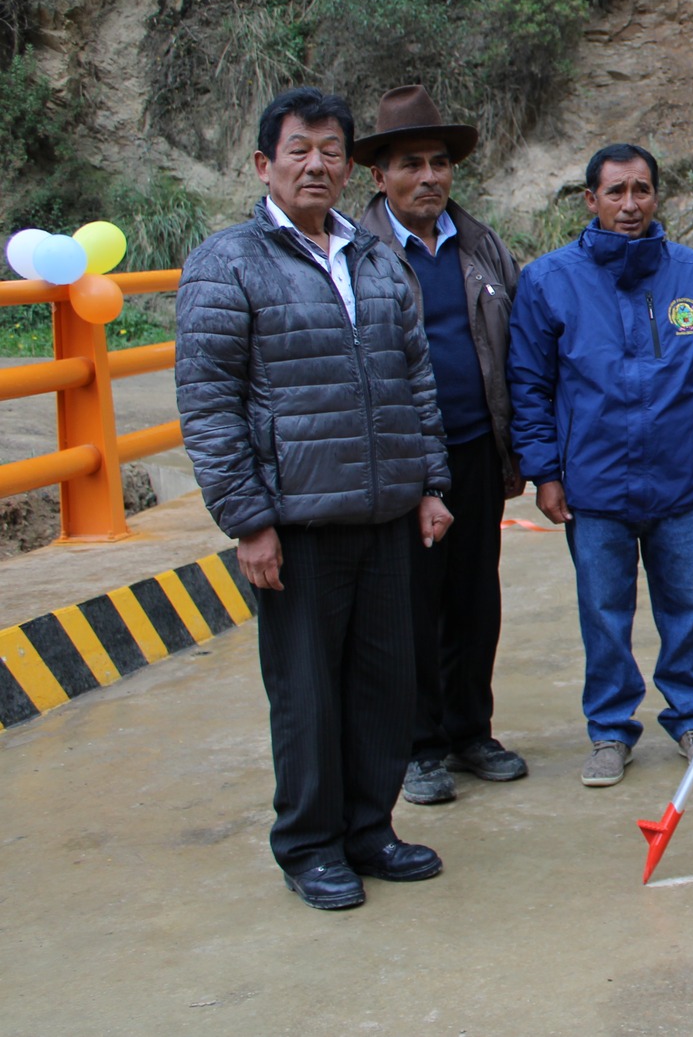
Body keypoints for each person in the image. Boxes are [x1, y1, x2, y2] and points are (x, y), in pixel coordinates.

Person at [176, 87, 452, 911]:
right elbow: (209, 402)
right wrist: (249, 520)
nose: (316, 164)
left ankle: (370, 828)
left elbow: (416, 380)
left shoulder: (373, 258)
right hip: (297, 523)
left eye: (331, 149)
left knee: (384, 684)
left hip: (385, 512)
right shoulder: (228, 263)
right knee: (306, 692)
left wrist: (431, 482)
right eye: (299, 149)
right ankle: (309, 843)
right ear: (264, 164)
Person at [507, 143, 693, 789]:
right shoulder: (548, 281)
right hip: (595, 485)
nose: (629, 203)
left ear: (657, 196)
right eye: (615, 191)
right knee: (604, 612)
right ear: (591, 200)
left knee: (684, 607)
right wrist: (545, 471)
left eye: (641, 189)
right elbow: (529, 385)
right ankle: (610, 730)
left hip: (677, 479)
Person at [353, 86, 528, 806]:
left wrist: (519, 447)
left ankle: (469, 729)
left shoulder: (482, 244)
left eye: (439, 163)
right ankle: (418, 745)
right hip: (400, 458)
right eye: (411, 164)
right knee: (410, 606)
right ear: (379, 176)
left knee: (473, 596)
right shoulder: (358, 253)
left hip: (475, 448)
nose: (429, 177)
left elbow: (515, 343)